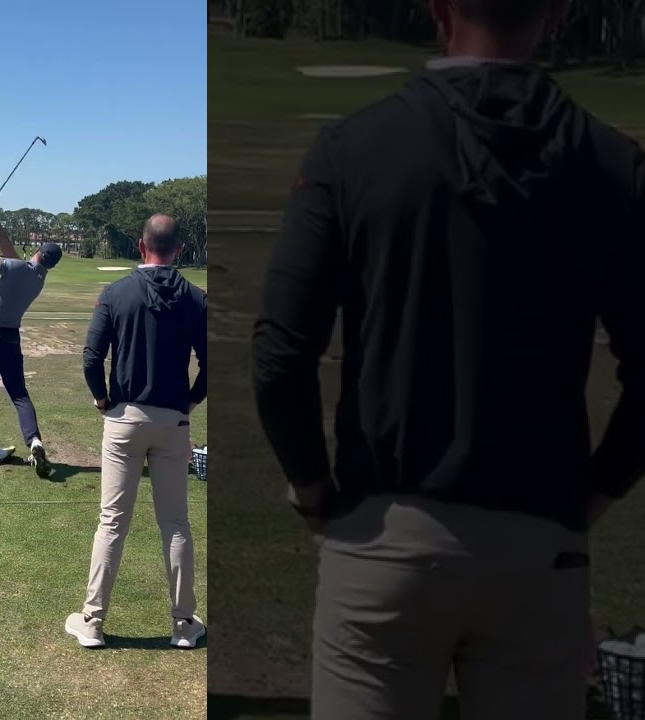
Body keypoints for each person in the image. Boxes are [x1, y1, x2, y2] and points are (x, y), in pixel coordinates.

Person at [250, 0, 645, 717]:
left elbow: (281, 354)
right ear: (555, 14)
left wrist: (311, 486)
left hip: (384, 533)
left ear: (437, 7)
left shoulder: (354, 149)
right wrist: (592, 498)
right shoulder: (614, 164)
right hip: (542, 542)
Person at [66, 213, 207, 649]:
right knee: (175, 524)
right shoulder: (196, 298)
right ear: (179, 251)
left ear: (141, 246)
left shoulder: (115, 293)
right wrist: (192, 399)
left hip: (124, 419)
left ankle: (92, 622)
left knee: (112, 522)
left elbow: (91, 358)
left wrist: (101, 399)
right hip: (172, 421)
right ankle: (184, 625)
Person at [0, 201, 62, 478]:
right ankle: (34, 440)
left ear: (37, 252)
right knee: (19, 394)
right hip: (10, 339)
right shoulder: (37, 276)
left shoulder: (17, 268)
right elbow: (10, 254)